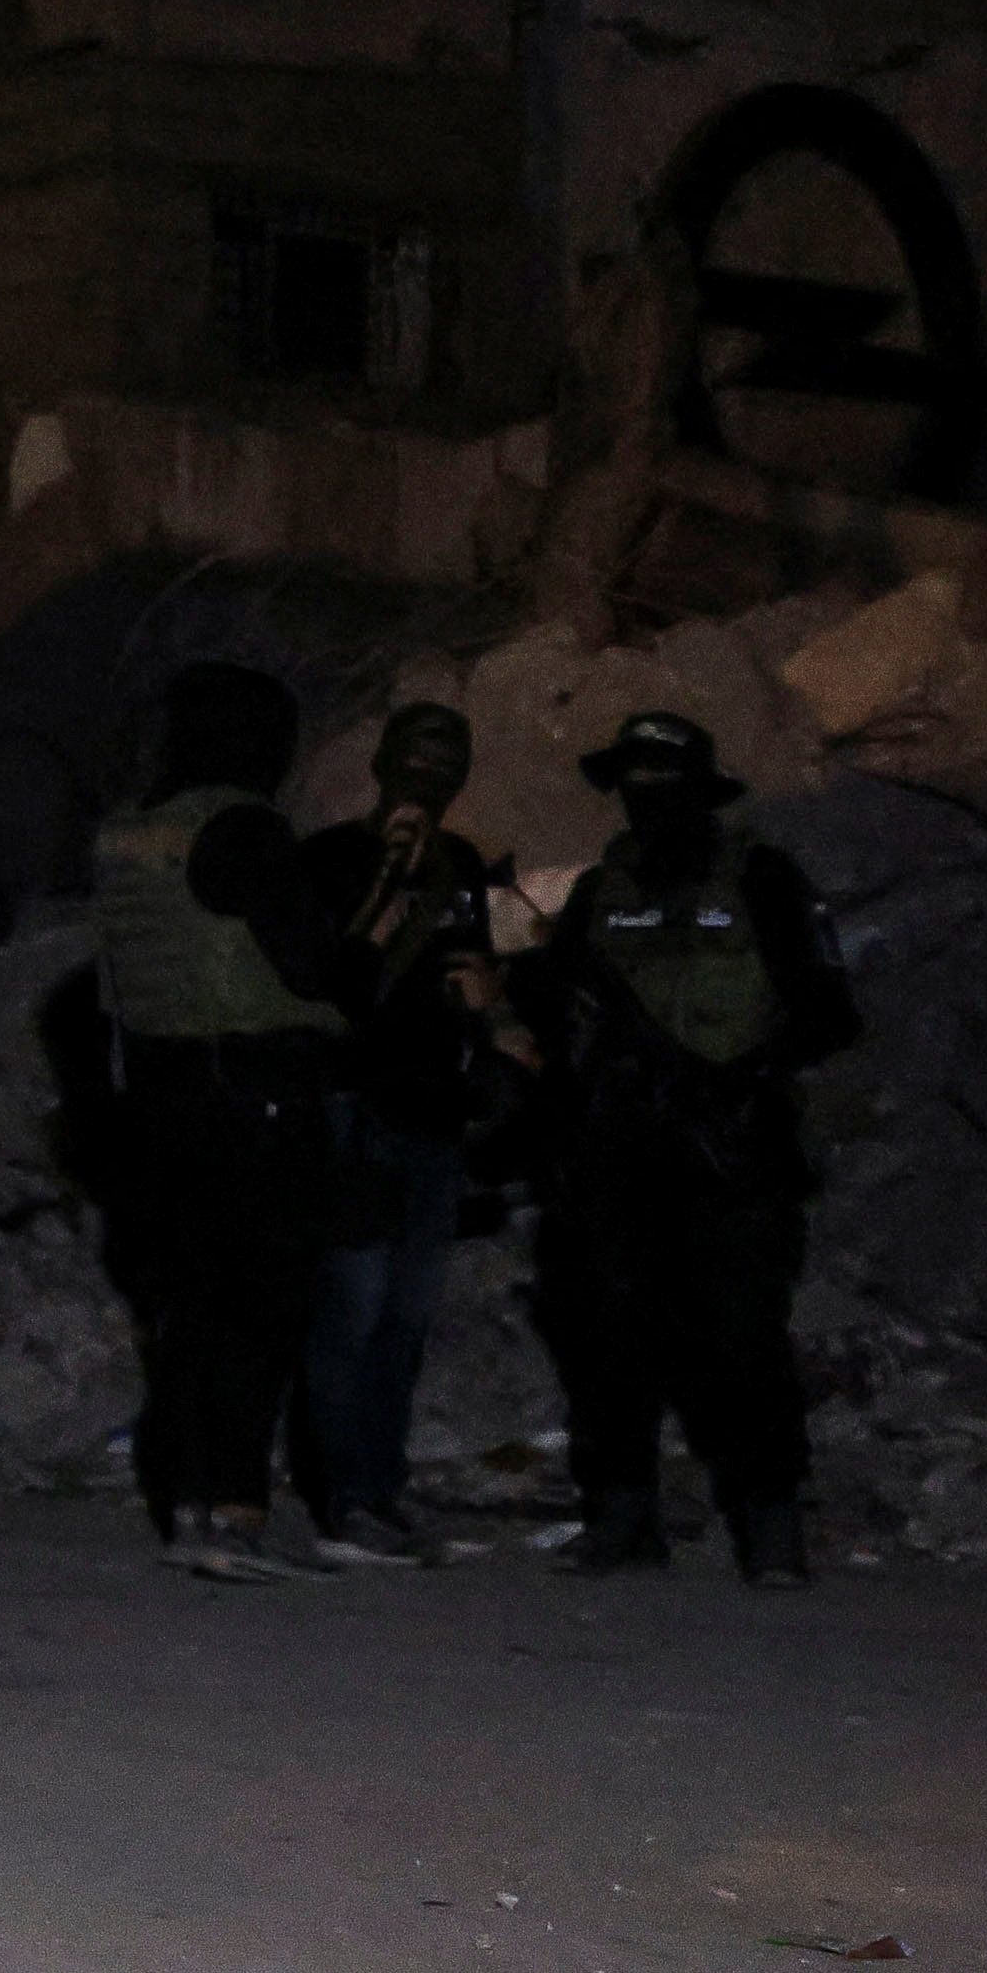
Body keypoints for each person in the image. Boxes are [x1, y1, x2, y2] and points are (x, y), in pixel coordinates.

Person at [514, 711, 861, 1587]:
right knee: (611, 1342)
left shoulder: (763, 877)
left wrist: (737, 1080)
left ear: (699, 788)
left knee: (742, 1344)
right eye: (634, 781)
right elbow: (556, 1018)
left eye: (662, 779)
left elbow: (828, 1011)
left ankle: (771, 1528)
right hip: (620, 1152)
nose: (646, 799)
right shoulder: (601, 891)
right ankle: (624, 1517)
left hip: (729, 1153)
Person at [89, 660, 361, 1583]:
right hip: (255, 1094)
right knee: (260, 1305)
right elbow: (310, 967)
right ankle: (235, 1512)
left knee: (191, 1310)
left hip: (161, 1101)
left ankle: (190, 1508)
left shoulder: (128, 835)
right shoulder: (241, 829)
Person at [285, 700, 512, 1566]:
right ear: (382, 767)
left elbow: (477, 971)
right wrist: (386, 885)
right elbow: (332, 982)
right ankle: (344, 1496)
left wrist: (484, 1005)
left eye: (443, 768)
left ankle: (378, 1485)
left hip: (432, 1114)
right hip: (356, 1108)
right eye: (415, 764)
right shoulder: (335, 860)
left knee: (405, 1319)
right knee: (352, 1309)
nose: (428, 782)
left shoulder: (459, 867)